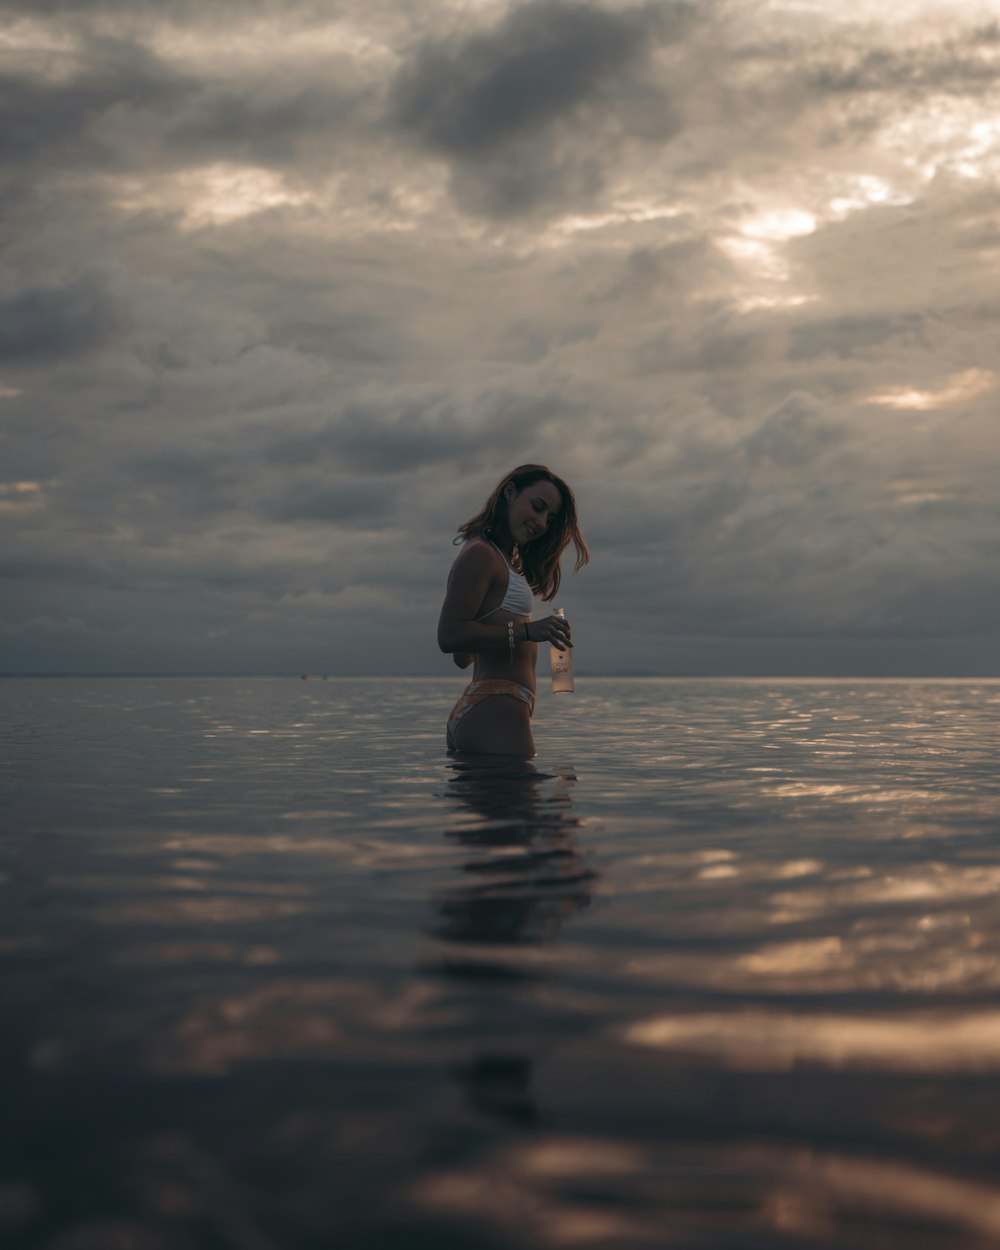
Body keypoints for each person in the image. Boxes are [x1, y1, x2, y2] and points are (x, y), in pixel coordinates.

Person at [437, 464, 589, 756]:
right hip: (496, 708)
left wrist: (497, 625)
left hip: (489, 709)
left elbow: (462, 657)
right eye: (538, 506)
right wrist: (528, 631)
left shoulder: (497, 557)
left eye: (550, 518)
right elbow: (450, 637)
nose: (542, 522)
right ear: (509, 492)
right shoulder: (481, 553)